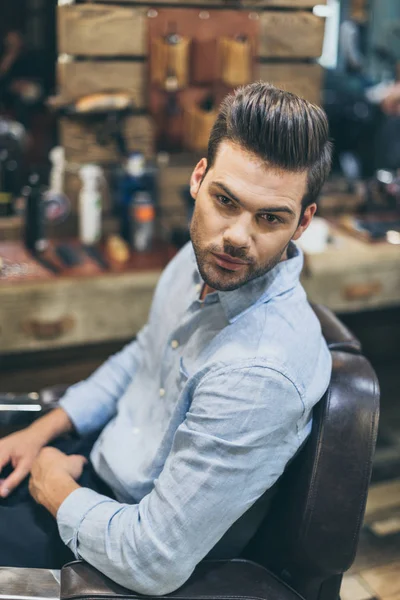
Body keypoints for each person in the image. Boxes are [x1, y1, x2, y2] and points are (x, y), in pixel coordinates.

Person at [0, 83, 333, 594]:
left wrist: (54, 487)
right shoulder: (200, 260)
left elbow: (153, 558)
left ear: (303, 222)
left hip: (115, 541)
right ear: (199, 179)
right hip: (89, 460)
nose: (237, 237)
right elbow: (145, 355)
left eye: (270, 218)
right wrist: (45, 429)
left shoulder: (260, 374)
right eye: (226, 200)